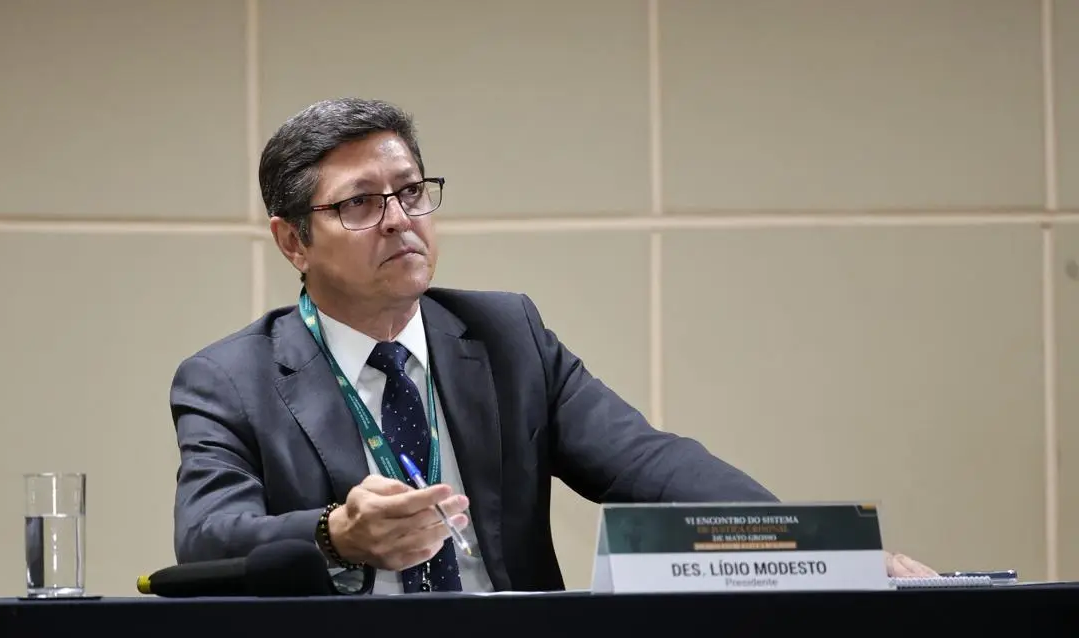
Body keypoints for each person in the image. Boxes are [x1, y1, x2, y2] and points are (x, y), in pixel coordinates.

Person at [169, 97, 935, 593]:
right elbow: (208, 538)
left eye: (410, 191)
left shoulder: (507, 337)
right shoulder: (230, 379)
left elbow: (652, 466)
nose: (400, 218)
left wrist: (813, 551)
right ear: (293, 242)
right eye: (361, 204)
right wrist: (335, 534)